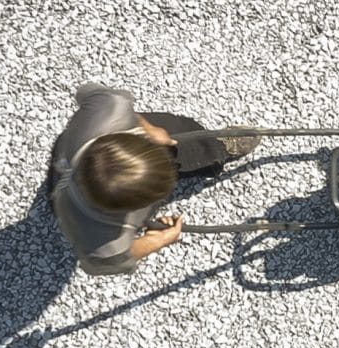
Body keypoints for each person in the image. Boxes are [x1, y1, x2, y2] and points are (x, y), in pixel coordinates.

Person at [49, 82, 259, 275]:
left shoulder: (110, 108)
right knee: (182, 140)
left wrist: (148, 128)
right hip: (76, 177)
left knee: (178, 137)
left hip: (64, 169)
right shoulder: (106, 238)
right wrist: (155, 241)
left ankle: (215, 147)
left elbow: (87, 91)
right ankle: (216, 149)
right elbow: (105, 263)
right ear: (134, 208)